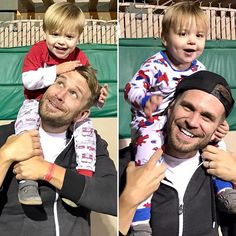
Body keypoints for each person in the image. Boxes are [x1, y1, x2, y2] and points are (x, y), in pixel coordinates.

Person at [124, 1, 233, 232]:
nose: (192, 40)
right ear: (165, 37)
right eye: (183, 34)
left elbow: (209, 109)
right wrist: (145, 101)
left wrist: (217, 127)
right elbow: (131, 88)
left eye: (199, 35)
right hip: (151, 121)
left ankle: (224, 189)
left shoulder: (199, 69)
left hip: (172, 122)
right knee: (147, 163)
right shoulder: (155, 64)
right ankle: (141, 218)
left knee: (217, 142)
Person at [0, 66, 117, 236]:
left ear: (81, 114)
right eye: (60, 83)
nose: (60, 95)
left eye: (73, 93)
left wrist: (47, 171)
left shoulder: (90, 146)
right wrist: (5, 155)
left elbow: (112, 198)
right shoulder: (6, 136)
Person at [120, 70, 235, 236]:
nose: (192, 122)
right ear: (170, 107)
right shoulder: (126, 166)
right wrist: (127, 202)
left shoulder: (221, 173)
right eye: (187, 107)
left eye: (207, 117)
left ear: (218, 128)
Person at [15, 2, 108, 206]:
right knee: (26, 131)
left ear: (78, 37)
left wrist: (98, 98)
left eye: (69, 37)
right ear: (45, 32)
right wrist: (56, 71)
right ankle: (28, 180)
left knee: (87, 130)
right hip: (35, 103)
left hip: (69, 112)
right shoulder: (38, 51)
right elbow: (28, 80)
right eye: (55, 34)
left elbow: (86, 90)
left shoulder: (80, 57)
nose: (61, 42)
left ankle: (83, 175)